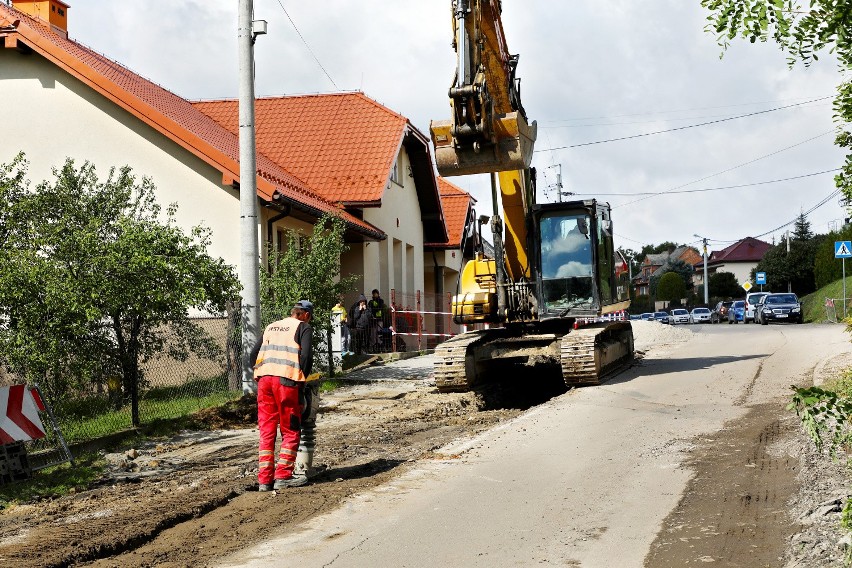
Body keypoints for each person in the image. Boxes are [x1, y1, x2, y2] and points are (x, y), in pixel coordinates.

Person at [251, 300, 314, 491]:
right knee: (291, 429)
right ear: (306, 315)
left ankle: (264, 480)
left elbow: (252, 355)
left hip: (264, 382)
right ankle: (283, 476)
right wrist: (302, 381)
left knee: (267, 430)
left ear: (292, 312)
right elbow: (306, 357)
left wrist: (263, 373)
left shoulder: (272, 326)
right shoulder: (303, 327)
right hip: (286, 382)